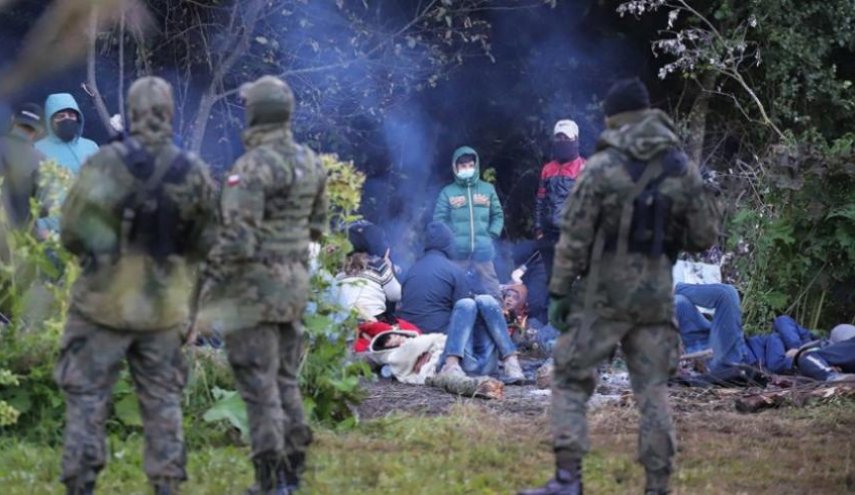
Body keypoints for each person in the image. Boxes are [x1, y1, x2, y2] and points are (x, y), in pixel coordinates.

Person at [519, 78, 719, 495]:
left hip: (603, 296)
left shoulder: (601, 168)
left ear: (614, 117)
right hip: (655, 298)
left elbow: (573, 236)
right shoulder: (679, 167)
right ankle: (657, 486)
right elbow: (704, 236)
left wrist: (557, 293)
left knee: (571, 376)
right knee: (653, 391)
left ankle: (568, 479)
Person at [54, 77, 217, 495]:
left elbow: (70, 233)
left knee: (87, 400)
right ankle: (166, 484)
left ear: (130, 112)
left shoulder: (103, 164)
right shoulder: (193, 172)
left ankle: (80, 484)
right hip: (163, 309)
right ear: (168, 113)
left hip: (101, 305)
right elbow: (207, 248)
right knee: (162, 402)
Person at [197, 75, 327, 495]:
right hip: (293, 287)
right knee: (286, 380)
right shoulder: (311, 162)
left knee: (258, 386)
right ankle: (293, 471)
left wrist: (207, 293)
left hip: (253, 291)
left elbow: (236, 239)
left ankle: (270, 482)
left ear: (258, 112)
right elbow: (317, 229)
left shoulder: (251, 167)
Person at [398, 221, 525, 381]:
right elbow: (465, 313)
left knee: (478, 301)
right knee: (476, 302)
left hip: (419, 345)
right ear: (447, 244)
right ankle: (510, 360)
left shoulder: (411, 271)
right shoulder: (453, 271)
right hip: (450, 352)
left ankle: (510, 359)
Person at [433, 146, 504, 300]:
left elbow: (498, 215)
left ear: (475, 166)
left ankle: (500, 319)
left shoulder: (487, 189)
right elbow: (439, 221)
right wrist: (451, 239)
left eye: (470, 165)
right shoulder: (448, 192)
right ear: (455, 167)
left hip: (483, 250)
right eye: (463, 166)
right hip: (458, 252)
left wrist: (491, 234)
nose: (467, 169)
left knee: (492, 289)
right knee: (452, 289)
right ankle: (451, 319)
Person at [534, 119, 586, 281]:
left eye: (566, 138)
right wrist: (538, 229)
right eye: (559, 137)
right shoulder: (548, 168)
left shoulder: (585, 168)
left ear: (575, 140)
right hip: (548, 236)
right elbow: (540, 199)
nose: (562, 141)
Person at [0, 103, 45, 229]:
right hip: (22, 236)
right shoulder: (40, 160)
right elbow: (44, 207)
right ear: (39, 130)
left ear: (13, 120)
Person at [35, 93, 99, 174]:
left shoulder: (91, 146)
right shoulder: (38, 151)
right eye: (61, 116)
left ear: (78, 118)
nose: (67, 119)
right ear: (50, 121)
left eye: (71, 115)